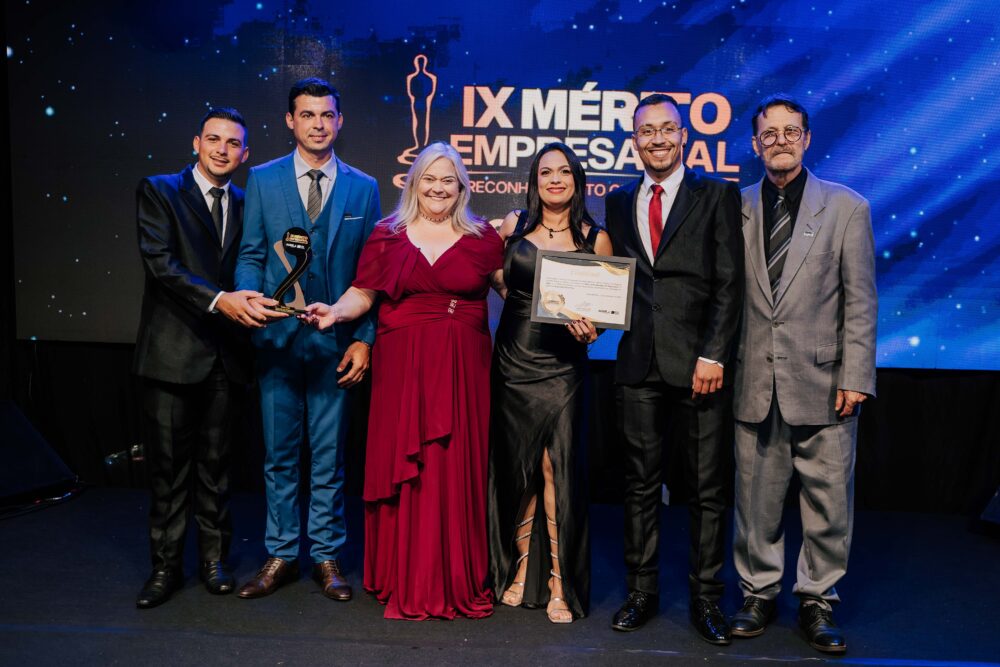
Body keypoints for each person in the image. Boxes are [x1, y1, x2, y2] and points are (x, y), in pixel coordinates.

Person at [303, 141, 501, 620]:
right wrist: (335, 312)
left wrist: (569, 302)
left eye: (448, 180)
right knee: (405, 467)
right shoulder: (386, 234)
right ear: (414, 183)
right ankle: (403, 574)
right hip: (402, 366)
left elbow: (515, 289)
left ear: (462, 187)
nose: (438, 188)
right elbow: (363, 292)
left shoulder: (483, 237)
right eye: (429, 179)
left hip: (462, 368)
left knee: (453, 468)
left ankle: (451, 576)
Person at [730, 94, 876, 655]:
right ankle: (758, 593)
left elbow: (860, 302)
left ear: (807, 139)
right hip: (754, 382)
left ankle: (818, 599)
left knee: (828, 503)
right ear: (755, 144)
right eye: (769, 134)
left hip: (826, 383)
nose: (780, 141)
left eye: (791, 131)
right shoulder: (735, 206)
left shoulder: (847, 208)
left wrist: (856, 375)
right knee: (756, 502)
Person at [234, 78, 381, 601]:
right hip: (275, 341)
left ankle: (325, 555)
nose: (318, 124)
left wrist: (363, 338)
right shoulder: (263, 178)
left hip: (333, 344)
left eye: (327, 115)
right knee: (278, 455)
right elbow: (252, 253)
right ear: (290, 121)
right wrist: (249, 298)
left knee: (328, 457)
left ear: (340, 121)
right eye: (308, 114)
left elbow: (370, 272)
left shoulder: (363, 187)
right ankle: (279, 554)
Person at [604, 94, 743, 643]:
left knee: (707, 489)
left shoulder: (717, 195)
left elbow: (730, 283)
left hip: (699, 365)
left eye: (667, 129)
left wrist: (714, 354)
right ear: (634, 141)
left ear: (684, 136)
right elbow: (614, 279)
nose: (657, 139)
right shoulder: (618, 202)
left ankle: (707, 599)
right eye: (647, 131)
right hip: (638, 362)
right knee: (639, 485)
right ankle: (642, 592)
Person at [133, 107, 256, 608]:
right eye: (213, 139)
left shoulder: (248, 202)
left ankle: (213, 561)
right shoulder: (159, 190)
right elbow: (161, 264)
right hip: (171, 354)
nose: (222, 149)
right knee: (168, 471)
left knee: (217, 469)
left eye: (233, 143)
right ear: (196, 143)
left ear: (244, 154)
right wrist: (220, 300)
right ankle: (164, 568)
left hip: (227, 357)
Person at [487, 143, 611, 623]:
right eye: (545, 172)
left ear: (577, 180)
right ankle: (520, 569)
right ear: (534, 180)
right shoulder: (513, 225)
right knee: (517, 464)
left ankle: (560, 581)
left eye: (564, 172)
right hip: (513, 359)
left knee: (554, 466)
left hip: (563, 366)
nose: (554, 180)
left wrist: (591, 330)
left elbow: (603, 312)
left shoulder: (595, 237)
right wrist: (516, 295)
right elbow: (493, 272)